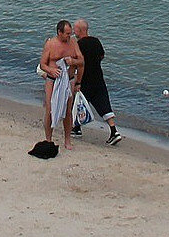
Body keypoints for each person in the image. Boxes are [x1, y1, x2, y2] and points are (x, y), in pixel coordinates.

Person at [71, 18, 123, 145]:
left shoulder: (79, 45)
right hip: (98, 77)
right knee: (104, 105)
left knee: (79, 103)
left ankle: (77, 128)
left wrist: (76, 79)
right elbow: (101, 56)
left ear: (80, 30)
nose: (73, 31)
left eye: (75, 29)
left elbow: (78, 62)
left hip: (85, 79)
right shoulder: (96, 41)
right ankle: (114, 131)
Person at [40, 19, 83, 148]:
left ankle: (67, 140)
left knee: (68, 111)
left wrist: (73, 62)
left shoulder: (73, 43)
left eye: (70, 34)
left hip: (68, 79)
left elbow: (81, 61)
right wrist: (51, 70)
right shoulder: (50, 44)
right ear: (59, 32)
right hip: (52, 80)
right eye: (67, 34)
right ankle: (48, 139)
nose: (69, 36)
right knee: (50, 110)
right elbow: (42, 64)